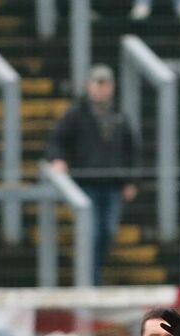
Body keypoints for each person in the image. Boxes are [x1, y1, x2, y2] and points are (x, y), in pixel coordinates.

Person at [46, 64, 139, 286]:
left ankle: (93, 276)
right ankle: (90, 280)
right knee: (92, 233)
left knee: (107, 231)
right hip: (86, 184)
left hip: (112, 185)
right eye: (97, 83)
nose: (100, 89)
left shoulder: (119, 116)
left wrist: (131, 180)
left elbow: (131, 150)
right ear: (88, 86)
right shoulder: (76, 114)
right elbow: (56, 141)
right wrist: (58, 160)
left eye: (105, 84)